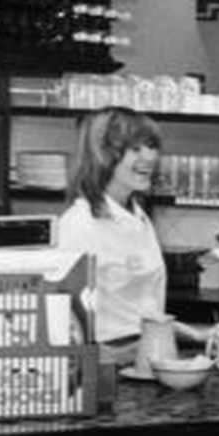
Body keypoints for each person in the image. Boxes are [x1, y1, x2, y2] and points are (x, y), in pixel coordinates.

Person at [55, 106, 168, 365]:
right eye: (136, 149)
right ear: (104, 155)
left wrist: (191, 332)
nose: (149, 157)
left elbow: (138, 309)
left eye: (152, 147)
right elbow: (62, 322)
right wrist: (110, 356)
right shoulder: (79, 224)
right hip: (105, 373)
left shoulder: (138, 218)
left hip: (144, 360)